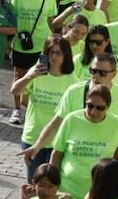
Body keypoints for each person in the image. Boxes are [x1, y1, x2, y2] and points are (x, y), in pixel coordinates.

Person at [12, 38, 79, 180]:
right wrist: (29, 76)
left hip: (58, 142)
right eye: (51, 52)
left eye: (58, 53)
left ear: (66, 55)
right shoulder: (37, 72)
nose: (54, 56)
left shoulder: (73, 81)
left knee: (51, 185)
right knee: (33, 183)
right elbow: (15, 91)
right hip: (32, 137)